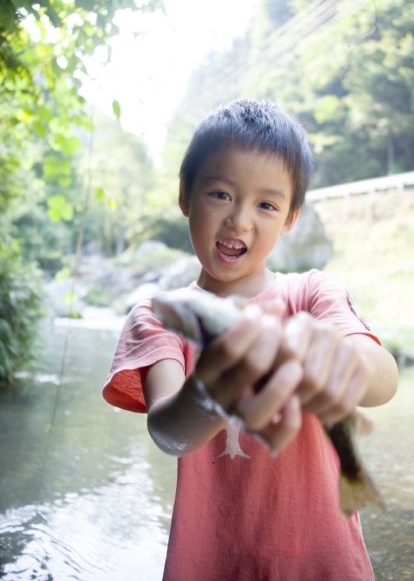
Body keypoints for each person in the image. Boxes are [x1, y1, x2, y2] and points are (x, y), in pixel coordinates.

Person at [103, 99, 398, 581]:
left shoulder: (311, 294)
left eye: (266, 204)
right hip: (212, 563)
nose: (240, 219)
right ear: (186, 195)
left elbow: (382, 380)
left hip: (323, 564)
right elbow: (168, 432)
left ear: (290, 219)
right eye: (220, 194)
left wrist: (338, 360)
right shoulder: (161, 316)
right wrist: (214, 390)